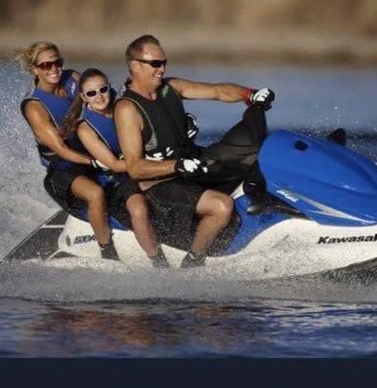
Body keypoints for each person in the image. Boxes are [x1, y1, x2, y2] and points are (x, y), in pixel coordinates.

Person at [114, 34, 276, 268]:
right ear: (135, 66)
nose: (162, 69)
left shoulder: (171, 87)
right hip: (162, 183)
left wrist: (250, 95)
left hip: (192, 164)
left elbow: (218, 91)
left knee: (255, 154)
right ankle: (193, 261)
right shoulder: (127, 108)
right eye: (155, 64)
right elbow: (135, 167)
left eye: (164, 62)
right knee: (221, 207)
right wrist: (177, 165)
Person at [16, 41, 119, 261]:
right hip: (62, 170)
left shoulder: (72, 78)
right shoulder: (34, 106)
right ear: (35, 70)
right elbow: (61, 149)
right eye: (46, 65)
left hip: (92, 155)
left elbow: (102, 98)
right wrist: (94, 162)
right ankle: (107, 251)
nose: (54, 69)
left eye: (57, 62)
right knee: (95, 194)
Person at [61, 68, 170, 268]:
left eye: (103, 89)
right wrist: (154, 164)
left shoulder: (125, 107)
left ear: (109, 87)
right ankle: (159, 262)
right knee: (138, 209)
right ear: (84, 97)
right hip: (118, 178)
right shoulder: (85, 128)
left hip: (147, 167)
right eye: (91, 93)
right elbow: (113, 164)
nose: (99, 96)